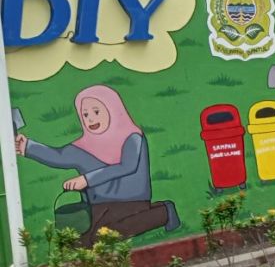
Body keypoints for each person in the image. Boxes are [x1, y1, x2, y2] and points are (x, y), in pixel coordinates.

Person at [16, 85, 181, 247]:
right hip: (98, 203)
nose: (90, 119)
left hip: (130, 200)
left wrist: (87, 180)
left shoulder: (132, 137)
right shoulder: (84, 145)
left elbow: (127, 167)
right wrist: (28, 147)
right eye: (85, 114)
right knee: (79, 242)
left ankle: (164, 212)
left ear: (112, 109)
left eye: (96, 112)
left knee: (101, 237)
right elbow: (59, 156)